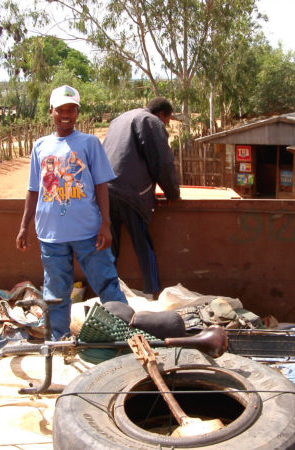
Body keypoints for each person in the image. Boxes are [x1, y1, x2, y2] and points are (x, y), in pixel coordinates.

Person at [16, 85, 128, 340]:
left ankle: (124, 336)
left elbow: (101, 185)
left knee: (107, 284)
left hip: (88, 231)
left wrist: (105, 224)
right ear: (51, 112)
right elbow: (34, 189)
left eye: (71, 110)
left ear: (78, 112)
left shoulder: (89, 143)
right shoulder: (40, 146)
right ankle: (59, 340)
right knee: (55, 292)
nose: (65, 115)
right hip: (50, 235)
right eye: (60, 110)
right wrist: (24, 226)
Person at [103, 97, 181, 296]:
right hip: (130, 192)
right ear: (162, 114)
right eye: (167, 120)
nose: (166, 125)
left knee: (110, 248)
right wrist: (173, 192)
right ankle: (151, 294)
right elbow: (161, 161)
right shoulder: (150, 121)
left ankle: (108, 295)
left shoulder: (119, 119)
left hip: (104, 189)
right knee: (143, 245)